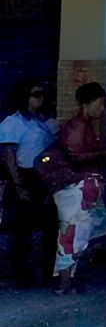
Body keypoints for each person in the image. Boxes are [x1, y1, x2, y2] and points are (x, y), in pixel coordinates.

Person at [39, 82, 106, 295]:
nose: (102, 109)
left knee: (77, 234)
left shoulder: (85, 125)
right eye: (101, 104)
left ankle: (68, 281)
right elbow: (74, 154)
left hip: (82, 188)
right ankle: (64, 284)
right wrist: (104, 154)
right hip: (74, 189)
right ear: (88, 103)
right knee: (72, 234)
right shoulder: (76, 126)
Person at [0, 80, 57, 287]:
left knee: (49, 227)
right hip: (24, 178)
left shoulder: (40, 121)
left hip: (42, 178)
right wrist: (19, 186)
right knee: (20, 231)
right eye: (35, 95)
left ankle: (47, 272)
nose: (40, 98)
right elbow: (9, 157)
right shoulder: (12, 123)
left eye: (42, 94)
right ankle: (21, 275)